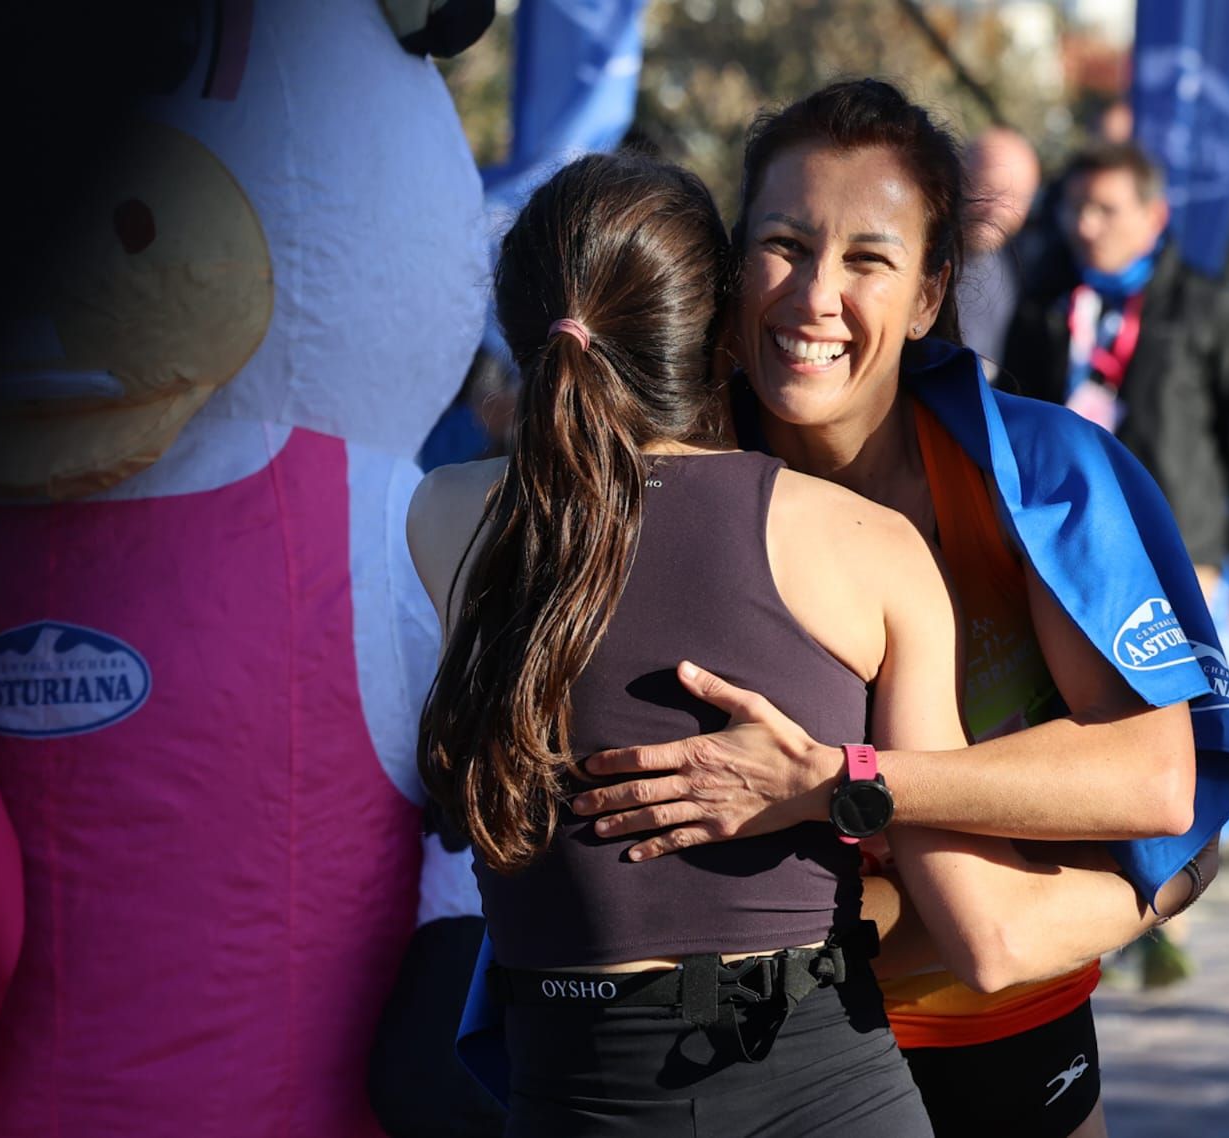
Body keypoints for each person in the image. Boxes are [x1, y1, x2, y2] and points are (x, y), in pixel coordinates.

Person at [567, 80, 1229, 1138]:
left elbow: (1158, 779)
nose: (812, 298)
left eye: (867, 260)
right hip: (753, 1060)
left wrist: (838, 786)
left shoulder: (1043, 473)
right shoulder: (665, 480)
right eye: (786, 244)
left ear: (932, 292)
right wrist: (1139, 893)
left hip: (1008, 1032)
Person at [409, 151, 990, 1135]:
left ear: (519, 327)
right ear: (718, 324)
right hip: (828, 1083)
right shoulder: (867, 546)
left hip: (568, 1089)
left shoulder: (443, 519)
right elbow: (966, 915)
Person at [1001, 141, 1229, 631]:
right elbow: (1012, 418)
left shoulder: (1206, 307)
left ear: (1154, 215)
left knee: (1168, 705)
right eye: (1075, 208)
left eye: (1106, 210)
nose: (1085, 226)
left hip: (1175, 549)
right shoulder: (1042, 301)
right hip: (1062, 543)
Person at [957, 126, 1041, 377]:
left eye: (1015, 198)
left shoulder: (1021, 271)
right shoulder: (914, 262)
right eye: (987, 190)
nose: (998, 209)